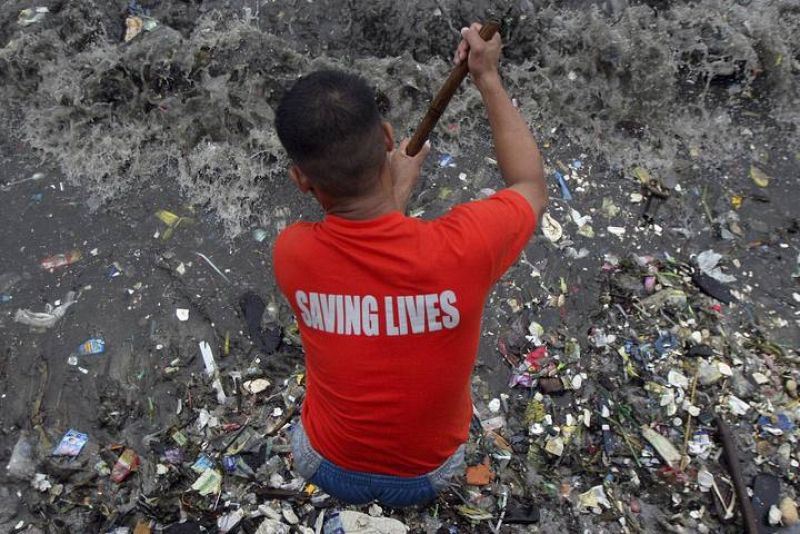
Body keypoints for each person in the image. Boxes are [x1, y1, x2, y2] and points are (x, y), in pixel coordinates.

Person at [273, 22, 547, 507]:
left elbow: (364, 255)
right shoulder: (464, 249)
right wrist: (486, 76)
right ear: (386, 136)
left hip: (324, 464)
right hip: (427, 477)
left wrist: (395, 193)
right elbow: (529, 185)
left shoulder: (293, 254)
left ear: (300, 179)